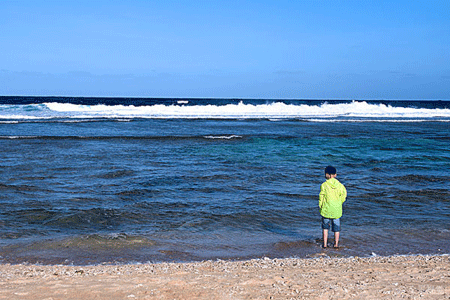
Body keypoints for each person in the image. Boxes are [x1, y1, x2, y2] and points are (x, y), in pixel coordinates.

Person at [319, 166, 347, 248]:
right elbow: (344, 195)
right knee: (336, 228)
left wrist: (320, 206)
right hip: (337, 210)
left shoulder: (324, 185)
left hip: (326, 209)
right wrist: (339, 202)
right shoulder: (340, 185)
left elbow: (321, 197)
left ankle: (324, 244)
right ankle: (336, 244)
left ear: (326, 174)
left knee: (325, 228)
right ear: (335, 175)